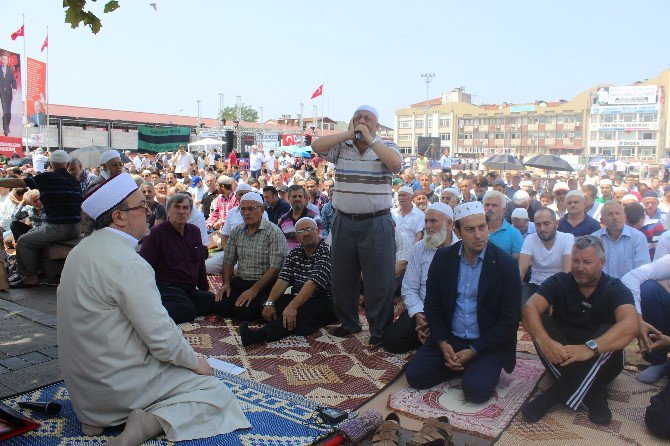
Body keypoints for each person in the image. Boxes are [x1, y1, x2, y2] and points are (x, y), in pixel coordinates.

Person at [59, 172, 249, 444]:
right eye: (140, 206)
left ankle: (96, 421)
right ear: (119, 217)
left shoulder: (81, 250)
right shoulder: (127, 262)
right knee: (214, 391)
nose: (149, 211)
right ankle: (146, 423)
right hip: (118, 387)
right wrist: (196, 362)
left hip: (85, 395)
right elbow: (162, 340)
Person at [404, 201, 521, 403]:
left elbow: (510, 320)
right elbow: (432, 305)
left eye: (482, 227)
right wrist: (442, 342)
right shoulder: (443, 258)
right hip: (451, 337)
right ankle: (458, 364)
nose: (478, 235)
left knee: (476, 392)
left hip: (485, 341)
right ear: (457, 231)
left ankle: (470, 366)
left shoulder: (506, 264)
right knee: (415, 377)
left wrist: (474, 350)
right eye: (470, 229)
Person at [521, 235, 638, 425]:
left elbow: (630, 324)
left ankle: (552, 396)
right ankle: (595, 390)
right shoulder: (559, 281)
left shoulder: (614, 288)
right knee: (536, 319)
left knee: (610, 329)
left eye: (587, 262)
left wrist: (588, 348)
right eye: (575, 260)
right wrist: (544, 340)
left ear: (602, 263)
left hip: (603, 361)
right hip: (562, 355)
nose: (579, 267)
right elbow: (529, 309)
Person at [311, 105, 401, 345]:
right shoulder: (342, 146)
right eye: (357, 118)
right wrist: (348, 134)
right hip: (345, 221)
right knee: (342, 278)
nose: (362, 121)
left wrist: (370, 140)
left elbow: (396, 165)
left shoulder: (386, 146)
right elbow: (317, 147)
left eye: (368, 118)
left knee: (379, 281)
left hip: (376, 222)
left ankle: (379, 331)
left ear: (377, 125)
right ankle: (349, 323)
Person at [239, 217, 336, 346]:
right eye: (302, 231)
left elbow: (312, 284)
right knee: (263, 301)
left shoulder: (326, 251)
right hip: (299, 298)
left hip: (325, 301)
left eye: (309, 229)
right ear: (297, 237)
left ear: (317, 231)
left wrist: (292, 307)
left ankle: (259, 335)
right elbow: (282, 280)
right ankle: (293, 322)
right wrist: (269, 303)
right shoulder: (295, 253)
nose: (306, 233)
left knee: (300, 312)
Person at [382, 203, 457, 354]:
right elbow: (409, 287)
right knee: (391, 341)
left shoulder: (461, 249)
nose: (428, 226)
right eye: (426, 221)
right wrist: (418, 314)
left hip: (451, 312)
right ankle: (431, 338)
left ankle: (434, 339)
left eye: (433, 221)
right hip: (423, 308)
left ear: (449, 224)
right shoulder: (419, 247)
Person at [3, 150, 82, 288]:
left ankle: (30, 277)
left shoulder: (46, 177)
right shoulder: (74, 181)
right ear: (68, 164)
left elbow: (18, 182)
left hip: (58, 228)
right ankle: (36, 271)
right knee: (29, 234)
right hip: (76, 228)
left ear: (50, 164)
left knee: (23, 241)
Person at [214, 192, 287, 321]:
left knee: (244, 312)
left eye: (251, 208)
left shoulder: (274, 232)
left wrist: (254, 290)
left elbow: (275, 268)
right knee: (220, 306)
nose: (247, 213)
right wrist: (226, 283)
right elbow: (228, 260)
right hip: (241, 280)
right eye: (243, 209)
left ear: (262, 210)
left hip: (264, 284)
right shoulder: (237, 231)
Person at [139, 193, 213, 324]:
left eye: (185, 208)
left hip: (189, 289)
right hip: (166, 288)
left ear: (190, 212)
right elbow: (144, 265)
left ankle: (188, 304)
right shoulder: (156, 233)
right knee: (186, 310)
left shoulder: (194, 231)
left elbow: (200, 263)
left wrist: (203, 289)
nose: (181, 212)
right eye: (177, 207)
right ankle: (148, 312)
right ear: (168, 210)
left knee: (214, 301)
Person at [519, 208, 574, 303]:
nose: (542, 229)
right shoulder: (530, 239)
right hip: (535, 285)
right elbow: (521, 270)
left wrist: (562, 296)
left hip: (559, 285)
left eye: (546, 223)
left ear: (556, 224)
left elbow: (567, 273)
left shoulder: (567, 238)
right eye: (538, 224)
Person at [592, 200, 650, 278]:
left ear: (624, 217)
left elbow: (643, 270)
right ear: (602, 220)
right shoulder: (595, 238)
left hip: (630, 286)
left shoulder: (638, 237)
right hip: (602, 287)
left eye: (618, 213)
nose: (615, 217)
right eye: (610, 214)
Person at [278, 184, 322, 251]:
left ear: (304, 198)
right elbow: (280, 242)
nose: (297, 199)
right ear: (289, 198)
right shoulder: (283, 220)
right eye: (294, 196)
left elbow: (319, 240)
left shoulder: (314, 218)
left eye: (300, 196)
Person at [484, 190, 523, 258]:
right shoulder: (476, 230)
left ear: (503, 210)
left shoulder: (514, 234)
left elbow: (517, 263)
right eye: (487, 205)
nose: (489, 208)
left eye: (494, 205)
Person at [0, 53, 17, 136]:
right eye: (2, 59)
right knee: (5, 111)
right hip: (1, 93)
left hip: (9, 94)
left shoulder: (10, 71)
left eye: (5, 59)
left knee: (9, 113)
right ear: (1, 60)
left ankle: (7, 127)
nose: (4, 61)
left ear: (7, 61)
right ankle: (6, 129)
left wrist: (14, 88)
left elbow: (13, 80)